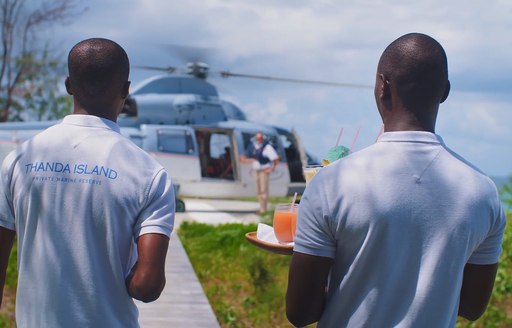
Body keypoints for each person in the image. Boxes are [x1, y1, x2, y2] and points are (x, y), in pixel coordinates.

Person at [286, 33, 506, 327]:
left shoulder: (331, 183)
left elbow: (300, 314)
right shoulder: (483, 193)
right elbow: (471, 307)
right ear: (445, 91)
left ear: (382, 85)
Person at [0, 38, 175, 327]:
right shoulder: (149, 173)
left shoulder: (20, 159)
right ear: (126, 90)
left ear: (69, 85)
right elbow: (147, 286)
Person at [244, 132, 279, 213]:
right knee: (258, 191)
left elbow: (275, 159)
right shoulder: (255, 147)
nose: (258, 140)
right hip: (257, 171)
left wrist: (271, 169)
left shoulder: (267, 147)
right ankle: (261, 208)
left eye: (260, 138)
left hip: (263, 171)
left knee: (263, 190)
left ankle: (263, 209)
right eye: (257, 138)